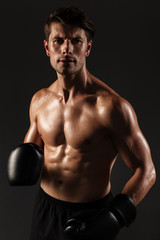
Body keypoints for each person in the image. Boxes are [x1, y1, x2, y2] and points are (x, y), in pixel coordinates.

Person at [7, 6, 156, 240]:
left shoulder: (112, 108)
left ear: (88, 47)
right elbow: (31, 152)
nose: (66, 49)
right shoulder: (39, 101)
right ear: (47, 48)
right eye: (58, 41)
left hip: (91, 218)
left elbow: (147, 170)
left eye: (76, 41)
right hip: (46, 211)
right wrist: (26, 156)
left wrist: (117, 215)